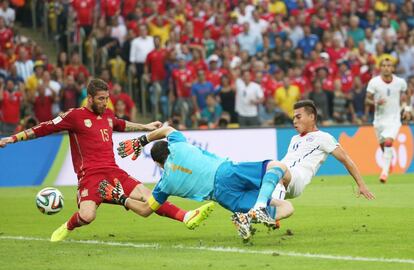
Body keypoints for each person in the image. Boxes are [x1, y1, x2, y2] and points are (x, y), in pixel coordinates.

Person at [106, 100, 375, 240]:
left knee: (277, 166)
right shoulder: (179, 145)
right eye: (293, 117)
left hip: (242, 189)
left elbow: (145, 210)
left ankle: (252, 212)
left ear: (312, 117)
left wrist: (120, 198)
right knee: (285, 207)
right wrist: (141, 138)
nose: (294, 121)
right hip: (231, 174)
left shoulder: (165, 184)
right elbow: (166, 128)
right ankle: (251, 217)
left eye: (298, 117)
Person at [0, 79, 214, 242]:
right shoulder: (74, 116)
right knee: (88, 215)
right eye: (101, 99)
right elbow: (43, 128)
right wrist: (14, 138)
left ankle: (186, 216)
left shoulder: (108, 116)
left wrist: (146, 127)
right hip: (89, 177)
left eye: (107, 98)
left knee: (147, 196)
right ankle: (69, 225)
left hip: (113, 172)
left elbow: (121, 124)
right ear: (90, 98)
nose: (105, 102)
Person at [365, 58, 411, 183]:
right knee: (383, 145)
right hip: (379, 120)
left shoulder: (400, 82)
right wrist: (375, 102)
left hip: (394, 119)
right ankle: (389, 160)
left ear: (393, 68)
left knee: (388, 142)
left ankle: (384, 173)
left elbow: (407, 93)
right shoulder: (374, 82)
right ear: (380, 68)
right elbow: (367, 100)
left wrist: (407, 109)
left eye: (389, 65)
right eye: (384, 65)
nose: (386, 68)